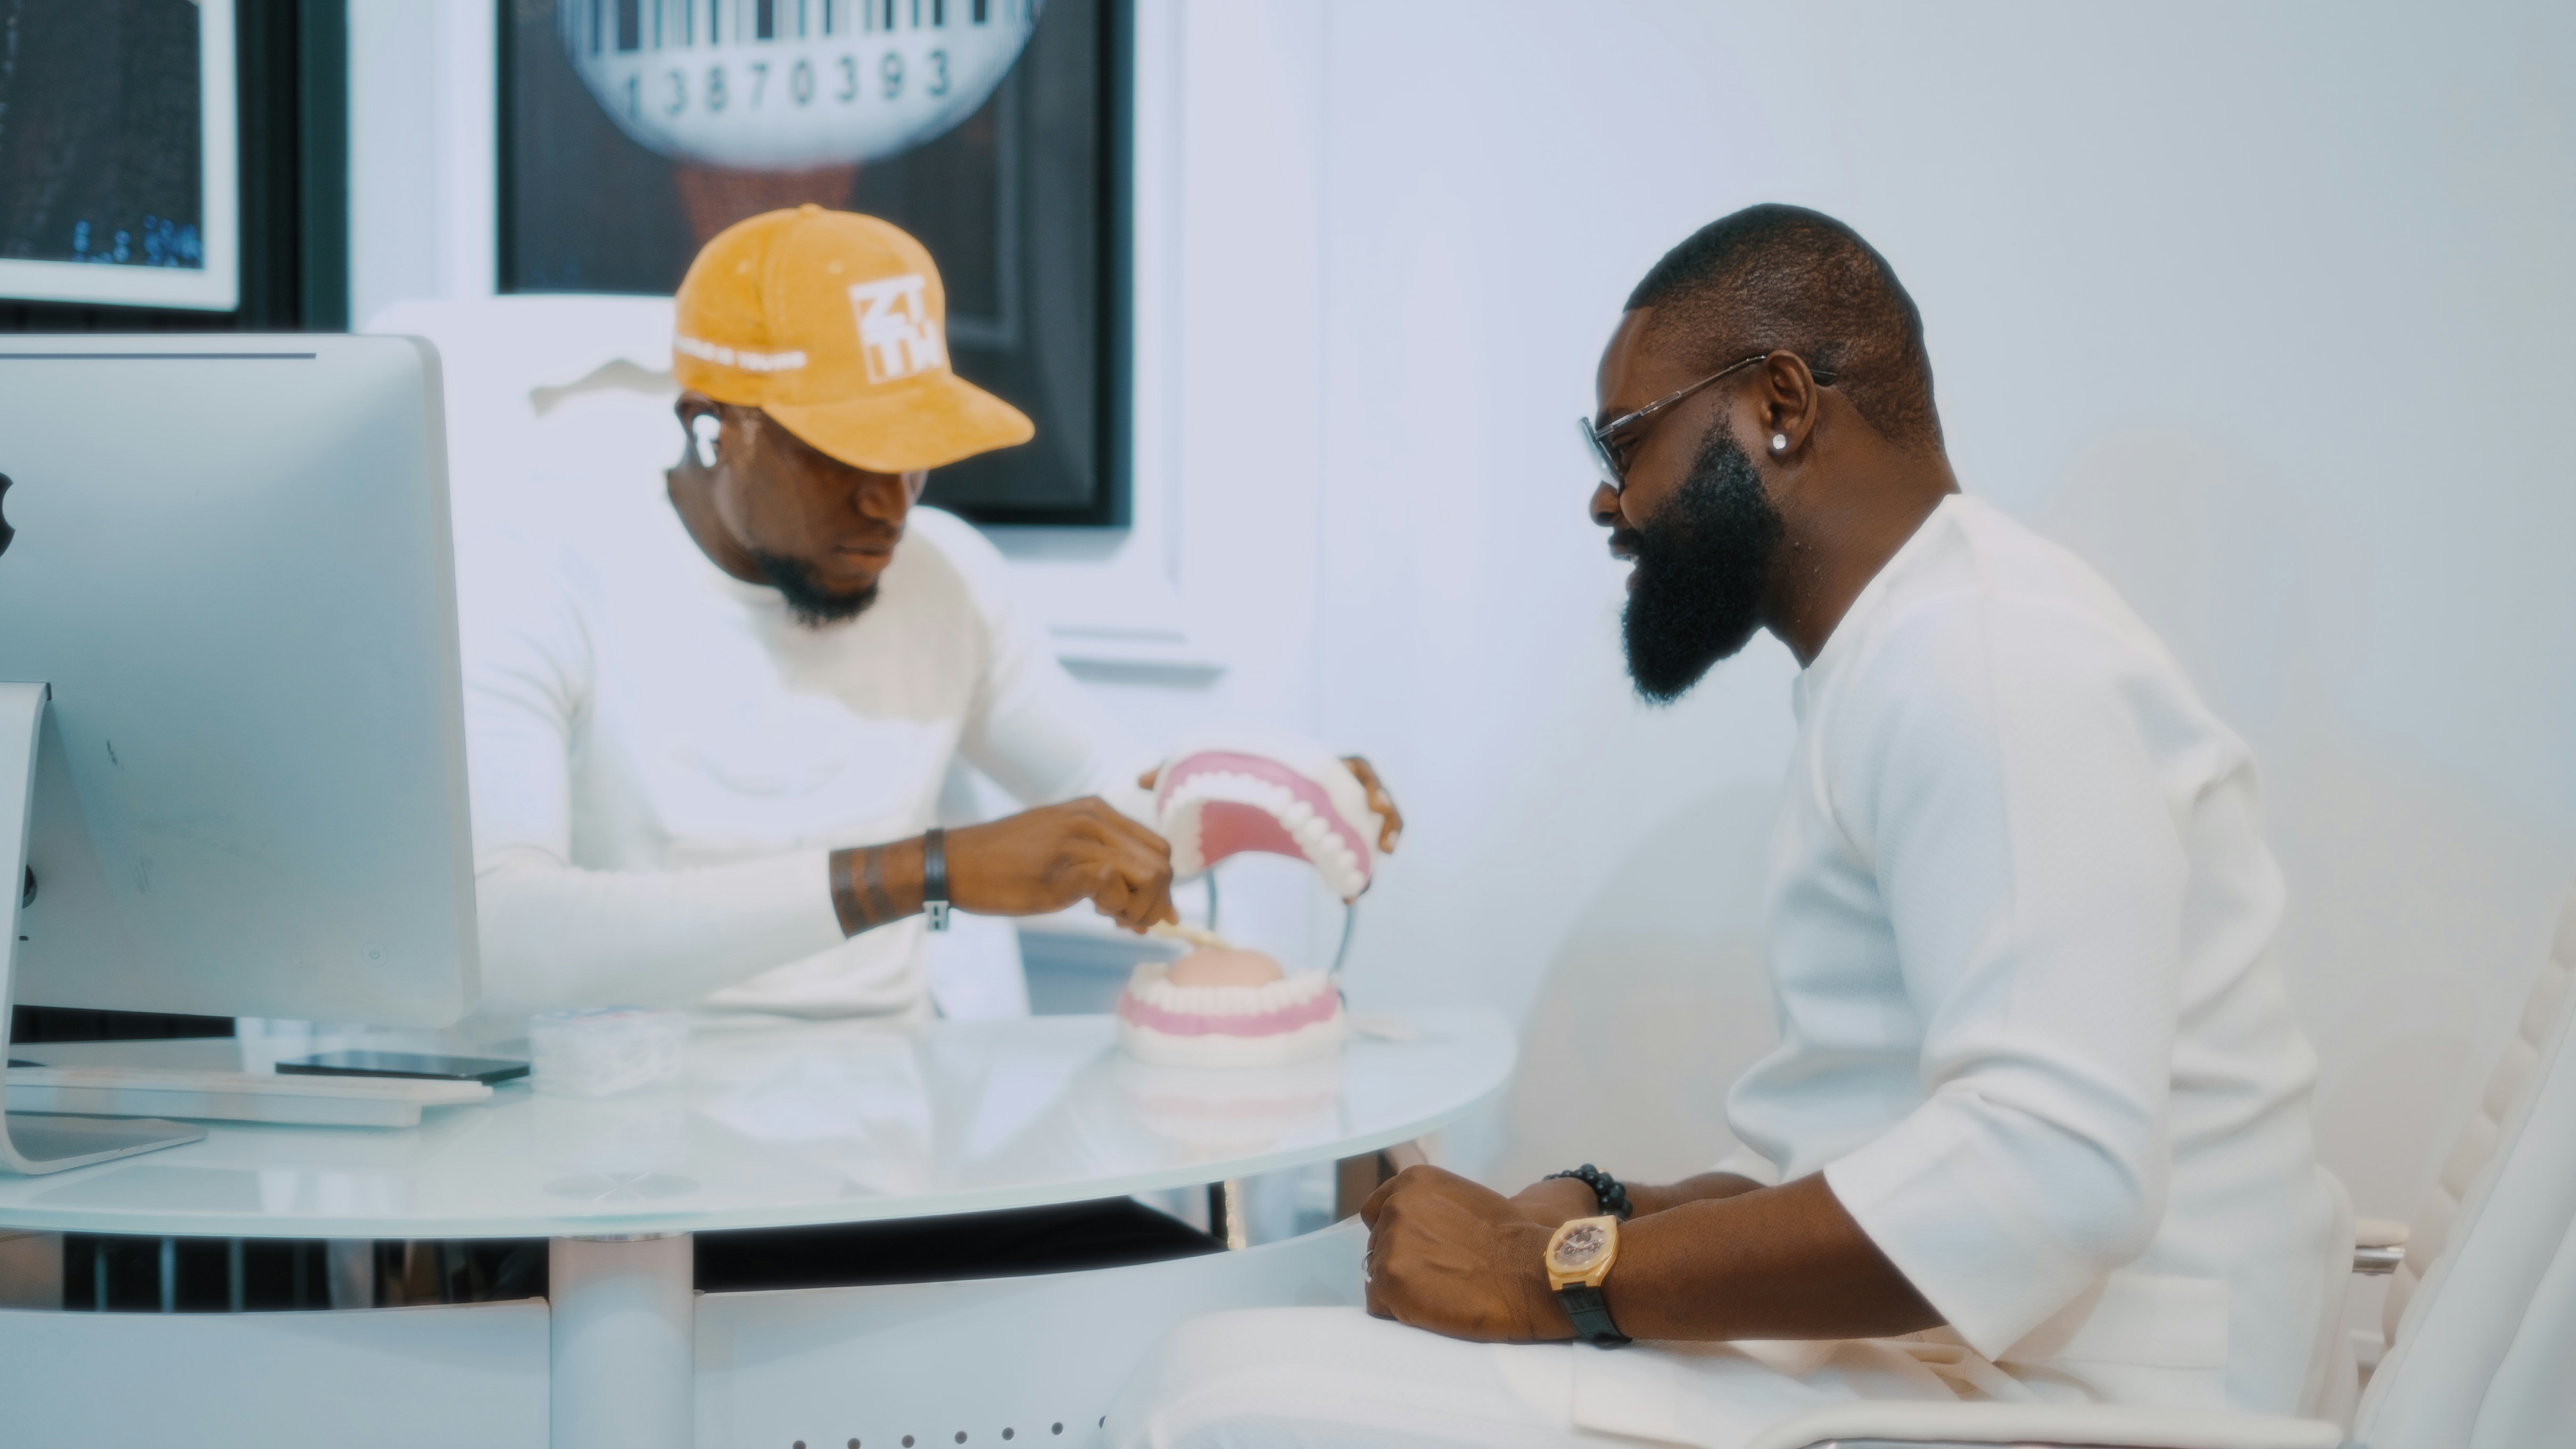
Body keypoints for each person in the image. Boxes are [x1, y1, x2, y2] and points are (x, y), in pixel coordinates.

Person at [1107, 205, 2344, 1447]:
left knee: (1203, 1388)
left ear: (1779, 406)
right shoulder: (1911, 653)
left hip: (2088, 1412)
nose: (1605, 499)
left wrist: (1550, 1275)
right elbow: (1872, 1150)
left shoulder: (1984, 660)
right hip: (1981, 1371)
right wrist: (1603, 1207)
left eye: (1624, 440)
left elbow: (2050, 1172)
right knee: (1264, 1351)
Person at [461, 205, 1400, 1026]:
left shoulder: (947, 575)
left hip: (895, 1122)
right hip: (641, 1127)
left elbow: (1112, 807)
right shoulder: (539, 583)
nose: (891, 502)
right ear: (714, 426)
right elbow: (500, 939)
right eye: (843, 452)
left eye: (914, 448)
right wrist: (923, 871)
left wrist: (1267, 792)